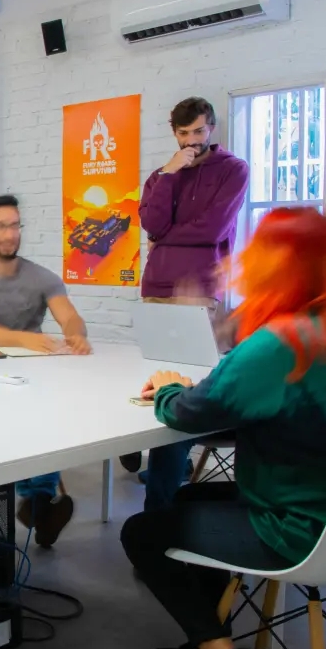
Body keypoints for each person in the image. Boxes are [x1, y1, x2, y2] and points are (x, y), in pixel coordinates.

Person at [120, 208, 326, 649]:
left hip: (297, 531)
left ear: (278, 264)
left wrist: (168, 388)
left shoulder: (282, 342)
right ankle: (201, 644)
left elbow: (190, 413)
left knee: (142, 532)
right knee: (188, 501)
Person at [120, 97, 249, 511]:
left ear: (211, 128)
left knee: (189, 386)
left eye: (199, 131)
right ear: (173, 133)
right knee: (156, 379)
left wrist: (165, 237)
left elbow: (211, 230)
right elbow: (152, 225)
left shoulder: (233, 169)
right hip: (156, 285)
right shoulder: (163, 174)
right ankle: (159, 466)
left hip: (201, 289)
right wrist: (171, 175)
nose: (192, 141)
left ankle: (162, 491)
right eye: (184, 133)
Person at [0, 194, 92, 548]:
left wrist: (75, 333)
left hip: (36, 379)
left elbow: (68, 314)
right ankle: (35, 501)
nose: (10, 234)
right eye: (1, 226)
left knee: (45, 417)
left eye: (15, 225)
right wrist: (28, 340)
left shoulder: (41, 277)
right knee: (7, 433)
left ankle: (39, 500)